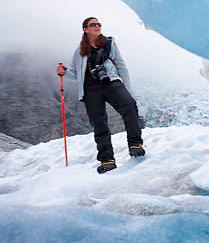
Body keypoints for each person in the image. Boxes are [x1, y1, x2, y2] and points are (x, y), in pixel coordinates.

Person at [57, 17, 145, 174]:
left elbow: (121, 65)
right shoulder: (79, 51)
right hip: (90, 89)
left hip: (111, 82)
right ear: (85, 29)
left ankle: (135, 145)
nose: (97, 26)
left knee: (129, 105)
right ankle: (107, 160)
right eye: (93, 24)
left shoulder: (109, 43)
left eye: (99, 24)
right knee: (99, 124)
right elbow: (75, 74)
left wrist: (127, 88)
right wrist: (64, 72)